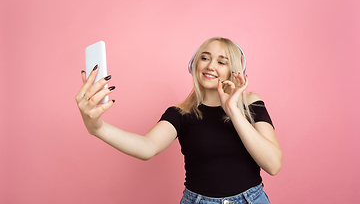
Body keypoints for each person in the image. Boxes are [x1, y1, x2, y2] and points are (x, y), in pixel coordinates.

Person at [75, 37, 282, 203]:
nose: (210, 66)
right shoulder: (181, 113)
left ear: (233, 70)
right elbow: (147, 147)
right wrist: (98, 128)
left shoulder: (251, 104)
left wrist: (233, 111)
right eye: (205, 58)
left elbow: (273, 164)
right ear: (194, 64)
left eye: (221, 61)